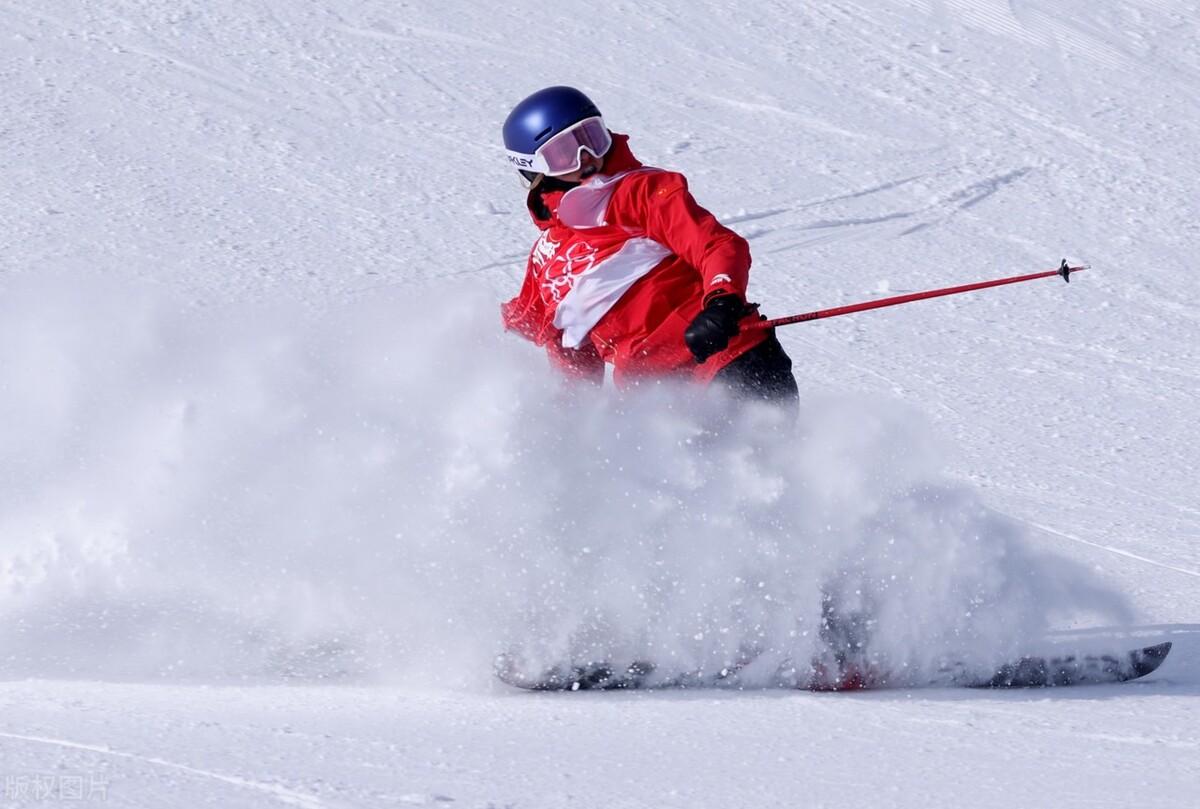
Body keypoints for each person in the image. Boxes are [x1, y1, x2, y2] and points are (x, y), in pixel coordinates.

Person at [500, 86, 798, 405]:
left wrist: (722, 304)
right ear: (534, 170)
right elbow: (568, 346)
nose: (586, 158)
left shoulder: (639, 191)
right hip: (657, 401)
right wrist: (573, 413)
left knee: (751, 451)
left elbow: (715, 245)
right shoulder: (545, 261)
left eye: (592, 137)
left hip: (728, 360)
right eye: (564, 153)